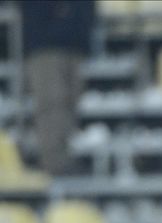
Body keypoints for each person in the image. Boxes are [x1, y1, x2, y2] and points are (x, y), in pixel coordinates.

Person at [19, 0, 94, 176]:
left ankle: (64, 160)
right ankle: (53, 162)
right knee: (52, 103)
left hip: (75, 41)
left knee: (70, 104)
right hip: (43, 41)